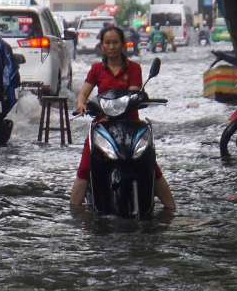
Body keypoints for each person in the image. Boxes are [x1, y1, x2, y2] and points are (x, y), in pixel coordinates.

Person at [69, 24, 176, 209]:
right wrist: (81, 104)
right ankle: (74, 211)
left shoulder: (134, 68)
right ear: (102, 46)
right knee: (86, 168)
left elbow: (133, 95)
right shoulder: (96, 69)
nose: (111, 46)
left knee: (150, 165)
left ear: (123, 44)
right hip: (103, 126)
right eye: (108, 43)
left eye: (115, 42)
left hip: (131, 126)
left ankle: (171, 209)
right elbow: (83, 93)